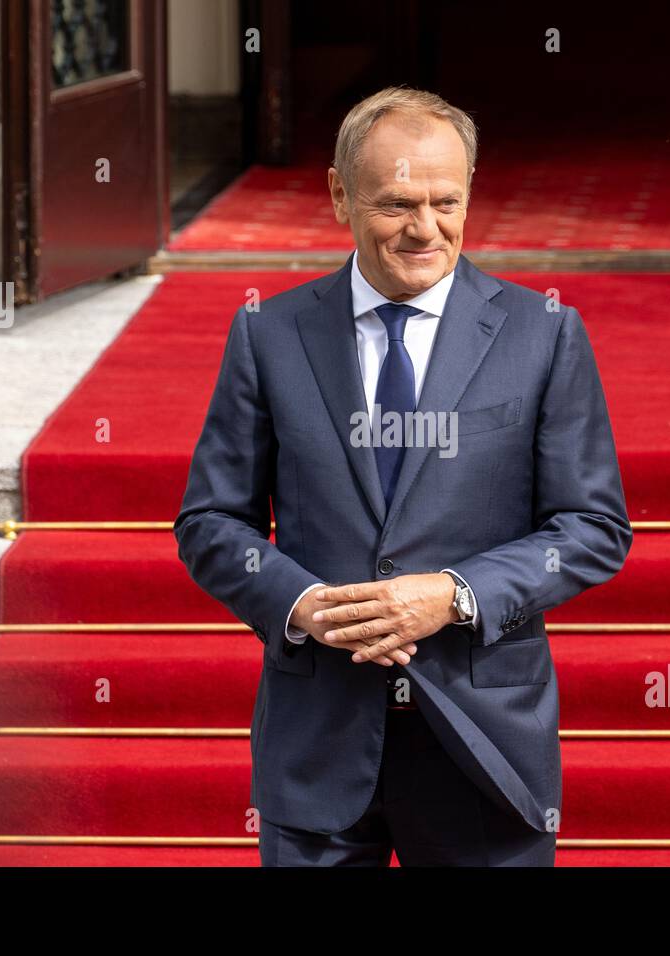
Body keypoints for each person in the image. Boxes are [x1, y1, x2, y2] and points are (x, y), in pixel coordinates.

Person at [174, 85, 631, 866]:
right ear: (339, 195)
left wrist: (454, 594)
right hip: (318, 739)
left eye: (447, 201)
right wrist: (304, 605)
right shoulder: (270, 334)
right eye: (396, 205)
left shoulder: (543, 334)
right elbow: (212, 523)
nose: (427, 229)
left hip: (485, 746)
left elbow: (592, 528)